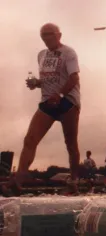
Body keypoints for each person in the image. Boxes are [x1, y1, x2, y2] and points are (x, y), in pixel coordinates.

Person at [1, 23, 81, 196]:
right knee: (30, 140)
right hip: (47, 102)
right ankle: (17, 183)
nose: (46, 38)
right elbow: (48, 79)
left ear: (59, 35)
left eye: (49, 34)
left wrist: (59, 94)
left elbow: (74, 78)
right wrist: (36, 83)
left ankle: (73, 182)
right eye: (43, 35)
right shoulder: (41, 55)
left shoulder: (69, 53)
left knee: (71, 143)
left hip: (67, 101)